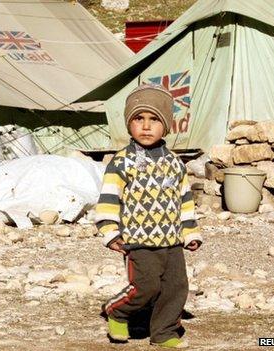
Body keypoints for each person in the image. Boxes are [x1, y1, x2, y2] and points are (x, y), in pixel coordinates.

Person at [95, 84, 202, 348]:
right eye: (138, 119)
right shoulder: (121, 162)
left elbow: (184, 201)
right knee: (146, 287)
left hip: (172, 241)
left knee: (176, 288)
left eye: (154, 119)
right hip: (137, 240)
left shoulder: (176, 163)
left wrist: (190, 232)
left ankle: (164, 332)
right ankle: (117, 312)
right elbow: (109, 200)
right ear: (128, 124)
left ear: (166, 125)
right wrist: (110, 232)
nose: (145, 126)